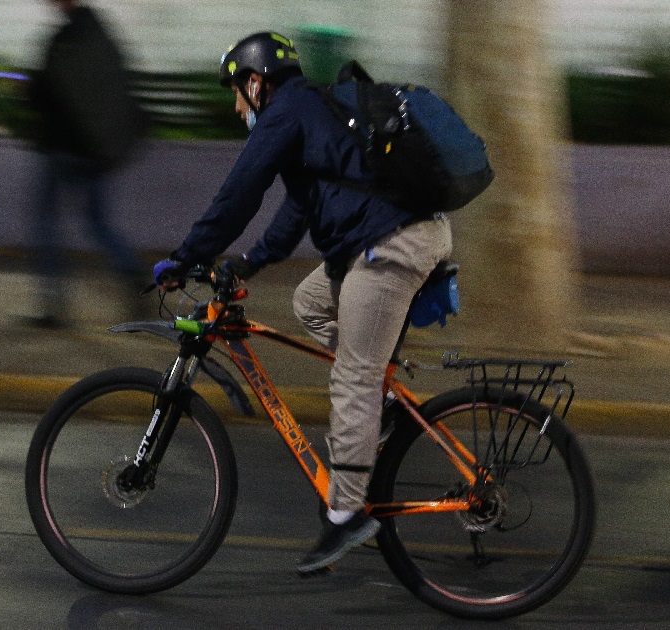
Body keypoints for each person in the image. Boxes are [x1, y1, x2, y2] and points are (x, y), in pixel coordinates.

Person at [153, 32, 453, 574]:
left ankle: (346, 514)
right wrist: (250, 261)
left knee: (353, 379)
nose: (235, 105)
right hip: (378, 240)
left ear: (255, 81)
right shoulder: (310, 110)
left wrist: (185, 256)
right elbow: (299, 205)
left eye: (237, 93)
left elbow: (241, 190)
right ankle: (383, 405)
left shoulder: (285, 112)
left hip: (390, 244)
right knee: (309, 302)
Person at [27, 0, 149, 328]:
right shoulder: (103, 38)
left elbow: (45, 92)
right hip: (95, 152)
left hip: (62, 148)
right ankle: (135, 278)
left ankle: (54, 308)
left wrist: (27, 88)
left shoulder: (63, 40)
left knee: (46, 223)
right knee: (98, 223)